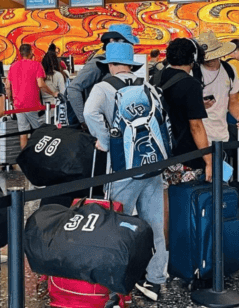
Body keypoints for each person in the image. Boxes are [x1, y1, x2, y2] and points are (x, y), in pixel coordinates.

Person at [83, 42, 167, 302]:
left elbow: (89, 112)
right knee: (155, 225)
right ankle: (154, 280)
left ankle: (114, 284)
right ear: (131, 64)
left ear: (109, 65)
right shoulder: (147, 85)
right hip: (152, 164)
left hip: (123, 167)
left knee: (115, 223)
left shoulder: (103, 88)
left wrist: (105, 140)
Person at [158, 38, 212, 249]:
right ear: (194, 58)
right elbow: (196, 126)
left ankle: (165, 251)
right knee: (186, 203)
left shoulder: (157, 78)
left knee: (165, 204)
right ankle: (186, 251)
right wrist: (208, 159)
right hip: (186, 154)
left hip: (161, 153)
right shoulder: (190, 84)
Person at [66, 24, 139, 129]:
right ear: (112, 41)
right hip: (102, 127)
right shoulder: (97, 64)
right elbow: (73, 88)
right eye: (126, 42)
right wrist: (85, 122)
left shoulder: (121, 64)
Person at [194, 31, 239, 143]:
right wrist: (199, 104)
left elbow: (233, 101)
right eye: (206, 57)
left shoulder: (229, 70)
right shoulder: (193, 72)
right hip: (199, 134)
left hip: (222, 133)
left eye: (213, 56)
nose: (209, 60)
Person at [6, 44, 59, 149]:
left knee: (23, 132)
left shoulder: (13, 66)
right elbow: (41, 84)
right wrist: (53, 93)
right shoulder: (36, 65)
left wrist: (11, 99)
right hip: (32, 104)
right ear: (30, 52)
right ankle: (37, 156)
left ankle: (24, 159)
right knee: (38, 131)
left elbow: (7, 86)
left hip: (18, 105)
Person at [41, 50, 67, 120]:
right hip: (55, 107)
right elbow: (63, 93)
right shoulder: (58, 75)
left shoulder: (40, 76)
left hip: (42, 107)